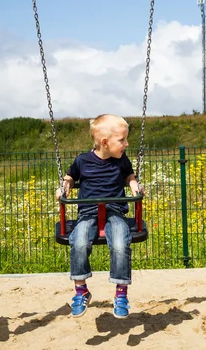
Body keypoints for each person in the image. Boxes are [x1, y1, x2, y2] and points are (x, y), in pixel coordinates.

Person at [56, 114, 143, 318]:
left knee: (121, 244)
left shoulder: (122, 161)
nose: (126, 144)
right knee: (78, 242)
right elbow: (69, 177)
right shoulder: (82, 161)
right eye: (122, 140)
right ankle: (81, 291)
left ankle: (121, 294)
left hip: (115, 212)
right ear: (105, 142)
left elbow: (130, 175)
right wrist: (64, 188)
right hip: (87, 212)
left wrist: (134, 185)